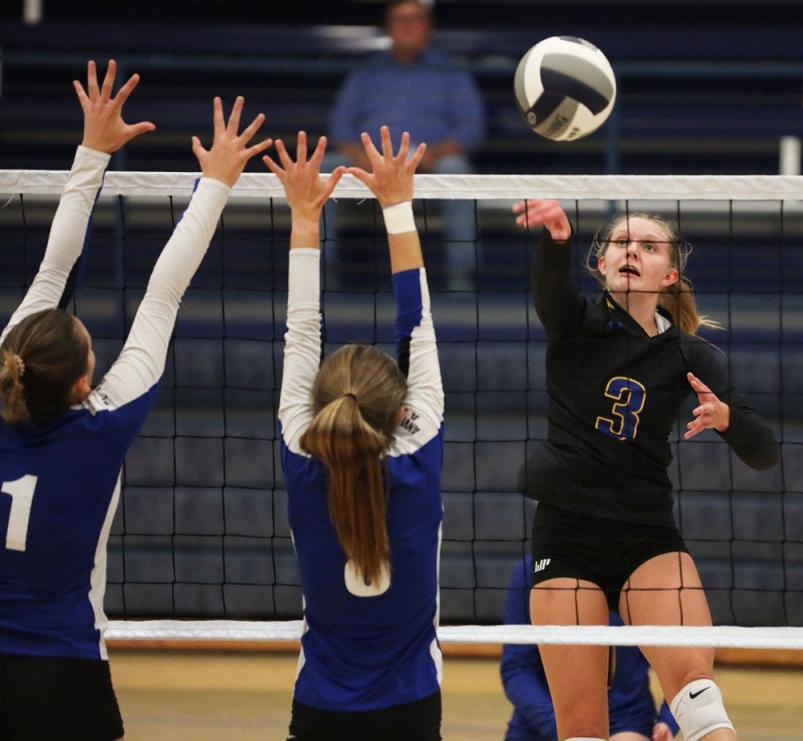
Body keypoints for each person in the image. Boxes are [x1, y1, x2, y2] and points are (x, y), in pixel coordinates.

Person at [0, 60, 271, 740]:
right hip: (63, 672)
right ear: (86, 385)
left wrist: (92, 149)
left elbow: (51, 270)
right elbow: (163, 293)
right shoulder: (102, 430)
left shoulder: (13, 367)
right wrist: (216, 185)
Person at [513, 199, 780, 741]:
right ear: (603, 264)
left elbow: (764, 450)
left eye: (648, 246)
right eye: (620, 243)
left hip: (647, 535)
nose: (631, 250)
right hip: (566, 536)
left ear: (669, 274)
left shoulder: (691, 354)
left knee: (701, 700)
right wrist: (557, 241)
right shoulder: (576, 325)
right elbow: (550, 292)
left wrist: (726, 418)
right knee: (584, 728)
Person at [270, 125, 443, 741]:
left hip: (320, 708)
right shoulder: (417, 454)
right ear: (401, 413)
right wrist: (398, 205)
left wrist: (303, 216)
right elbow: (414, 325)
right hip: (411, 707)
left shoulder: (300, 452)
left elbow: (300, 330)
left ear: (319, 408)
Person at [326, 0, 485, 290]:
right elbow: (340, 126)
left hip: (429, 164)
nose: (407, 26)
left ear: (428, 26)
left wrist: (434, 154)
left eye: (414, 19)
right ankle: (323, 274)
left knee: (457, 170)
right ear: (389, 26)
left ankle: (463, 279)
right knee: (325, 169)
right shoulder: (366, 71)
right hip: (367, 164)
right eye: (399, 20)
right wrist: (361, 157)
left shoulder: (450, 72)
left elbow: (472, 127)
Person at [501, 555, 678, 741]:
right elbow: (516, 670)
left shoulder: (646, 569)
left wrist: (667, 721)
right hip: (542, 721)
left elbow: (679, 658)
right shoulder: (534, 568)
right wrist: (563, 726)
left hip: (624, 720)